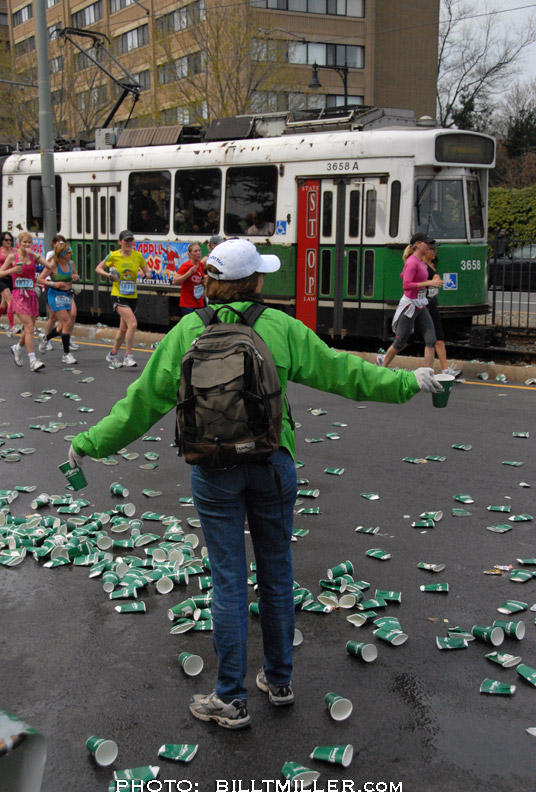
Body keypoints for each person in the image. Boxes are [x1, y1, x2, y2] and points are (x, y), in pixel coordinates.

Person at [67, 238, 441, 730]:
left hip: (213, 471)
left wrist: (87, 445)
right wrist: (411, 383)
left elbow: (139, 407)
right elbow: (345, 374)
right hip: (271, 462)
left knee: (227, 581)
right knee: (276, 571)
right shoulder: (279, 326)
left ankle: (231, 699)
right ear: (257, 282)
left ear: (211, 283)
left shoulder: (185, 331)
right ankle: (279, 681)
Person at [376, 233, 443, 370]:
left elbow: (405, 274)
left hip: (421, 305)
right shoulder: (412, 262)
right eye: (427, 243)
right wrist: (429, 282)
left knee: (431, 340)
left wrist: (429, 283)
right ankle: (382, 366)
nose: (429, 246)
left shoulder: (419, 262)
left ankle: (428, 372)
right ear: (418, 245)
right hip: (410, 306)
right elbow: (406, 285)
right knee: (400, 341)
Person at [95, 230, 151, 367]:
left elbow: (148, 272)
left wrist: (143, 275)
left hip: (132, 296)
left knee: (123, 329)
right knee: (133, 324)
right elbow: (98, 268)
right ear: (120, 242)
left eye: (131, 240)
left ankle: (112, 354)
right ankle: (128, 356)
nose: (129, 243)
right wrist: (109, 275)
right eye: (126, 240)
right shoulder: (113, 255)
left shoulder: (137, 256)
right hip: (118, 295)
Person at [1, 231, 48, 371]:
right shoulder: (12, 257)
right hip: (18, 295)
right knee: (28, 327)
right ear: (19, 243)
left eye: (29, 242)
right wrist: (12, 270)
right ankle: (33, 360)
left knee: (30, 328)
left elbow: (50, 266)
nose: (27, 245)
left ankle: (17, 348)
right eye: (24, 242)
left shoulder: (33, 257)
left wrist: (35, 255)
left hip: (31, 295)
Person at [422, 244, 462, 378]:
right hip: (423, 304)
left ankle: (445, 369)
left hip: (431, 302)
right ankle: (385, 357)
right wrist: (432, 281)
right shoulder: (421, 266)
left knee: (438, 337)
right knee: (406, 337)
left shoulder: (431, 265)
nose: (435, 251)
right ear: (425, 251)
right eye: (432, 249)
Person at [36, 240, 79, 364]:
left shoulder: (71, 263)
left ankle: (45, 338)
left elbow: (75, 274)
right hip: (55, 294)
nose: (71, 254)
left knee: (69, 320)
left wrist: (76, 276)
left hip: (68, 294)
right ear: (62, 254)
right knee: (67, 321)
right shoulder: (53, 265)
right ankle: (66, 354)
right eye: (69, 252)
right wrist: (53, 283)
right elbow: (39, 279)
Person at [172, 241, 205, 315]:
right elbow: (175, 281)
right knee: (191, 325)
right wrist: (189, 273)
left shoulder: (201, 265)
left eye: (199, 250)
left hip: (199, 302)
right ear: (190, 254)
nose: (198, 253)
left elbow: (200, 280)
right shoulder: (186, 266)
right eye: (195, 251)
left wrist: (203, 281)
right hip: (187, 303)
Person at [0, 231, 16, 331]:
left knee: (4, 304)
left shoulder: (14, 251)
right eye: (6, 240)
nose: (8, 242)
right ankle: (12, 326)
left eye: (10, 240)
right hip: (1, 277)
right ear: (2, 240)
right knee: (10, 300)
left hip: (11, 278)